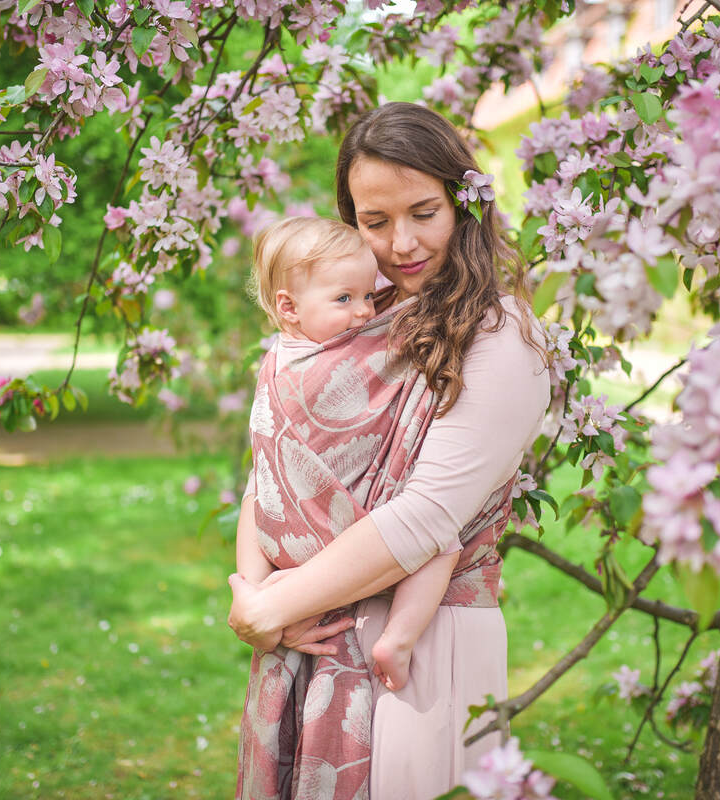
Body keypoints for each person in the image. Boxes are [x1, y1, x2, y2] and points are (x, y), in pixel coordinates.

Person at [229, 102, 551, 799]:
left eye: (423, 212)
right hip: (309, 633)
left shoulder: (502, 338)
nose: (400, 243)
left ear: (464, 204)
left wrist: (268, 609)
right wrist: (259, 595)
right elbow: (276, 468)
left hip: (425, 646)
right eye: (374, 223)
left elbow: (428, 516)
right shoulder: (346, 328)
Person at [239, 214, 462, 692]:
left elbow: (259, 484)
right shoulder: (334, 363)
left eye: (367, 294)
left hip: (289, 560)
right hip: (347, 538)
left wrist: (252, 589)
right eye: (344, 298)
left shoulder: (275, 361)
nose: (365, 312)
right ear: (289, 307)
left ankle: (266, 598)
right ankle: (399, 639)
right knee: (443, 540)